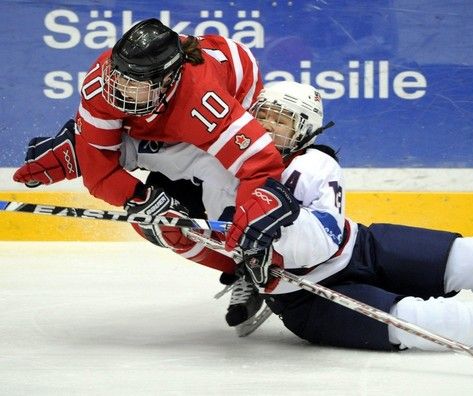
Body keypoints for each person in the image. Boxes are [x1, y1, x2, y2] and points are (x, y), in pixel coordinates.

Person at [13, 81, 473, 351]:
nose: (267, 126)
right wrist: (82, 150)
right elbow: (136, 149)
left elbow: (314, 239)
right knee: (427, 323)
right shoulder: (221, 153)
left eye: (283, 121)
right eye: (261, 114)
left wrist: (262, 235)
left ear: (307, 131)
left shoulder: (316, 165)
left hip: (358, 250)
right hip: (303, 300)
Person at [13, 19, 300, 331]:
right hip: (166, 123)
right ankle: (79, 146)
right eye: (117, 75)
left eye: (134, 83)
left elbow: (261, 166)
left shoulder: (204, 102)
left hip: (221, 113)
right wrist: (141, 198)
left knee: (233, 204)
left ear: (166, 80)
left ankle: (249, 265)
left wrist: (252, 230)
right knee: (157, 224)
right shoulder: (102, 84)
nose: (118, 89)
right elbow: (100, 176)